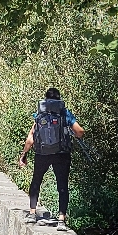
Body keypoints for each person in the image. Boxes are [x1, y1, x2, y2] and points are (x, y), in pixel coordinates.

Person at [16, 88, 85, 225]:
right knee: (62, 185)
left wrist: (24, 154)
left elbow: (31, 138)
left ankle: (32, 213)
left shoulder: (40, 114)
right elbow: (80, 132)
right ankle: (61, 220)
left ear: (45, 99)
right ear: (59, 99)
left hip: (42, 154)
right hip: (61, 155)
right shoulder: (65, 113)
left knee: (36, 181)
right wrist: (68, 133)